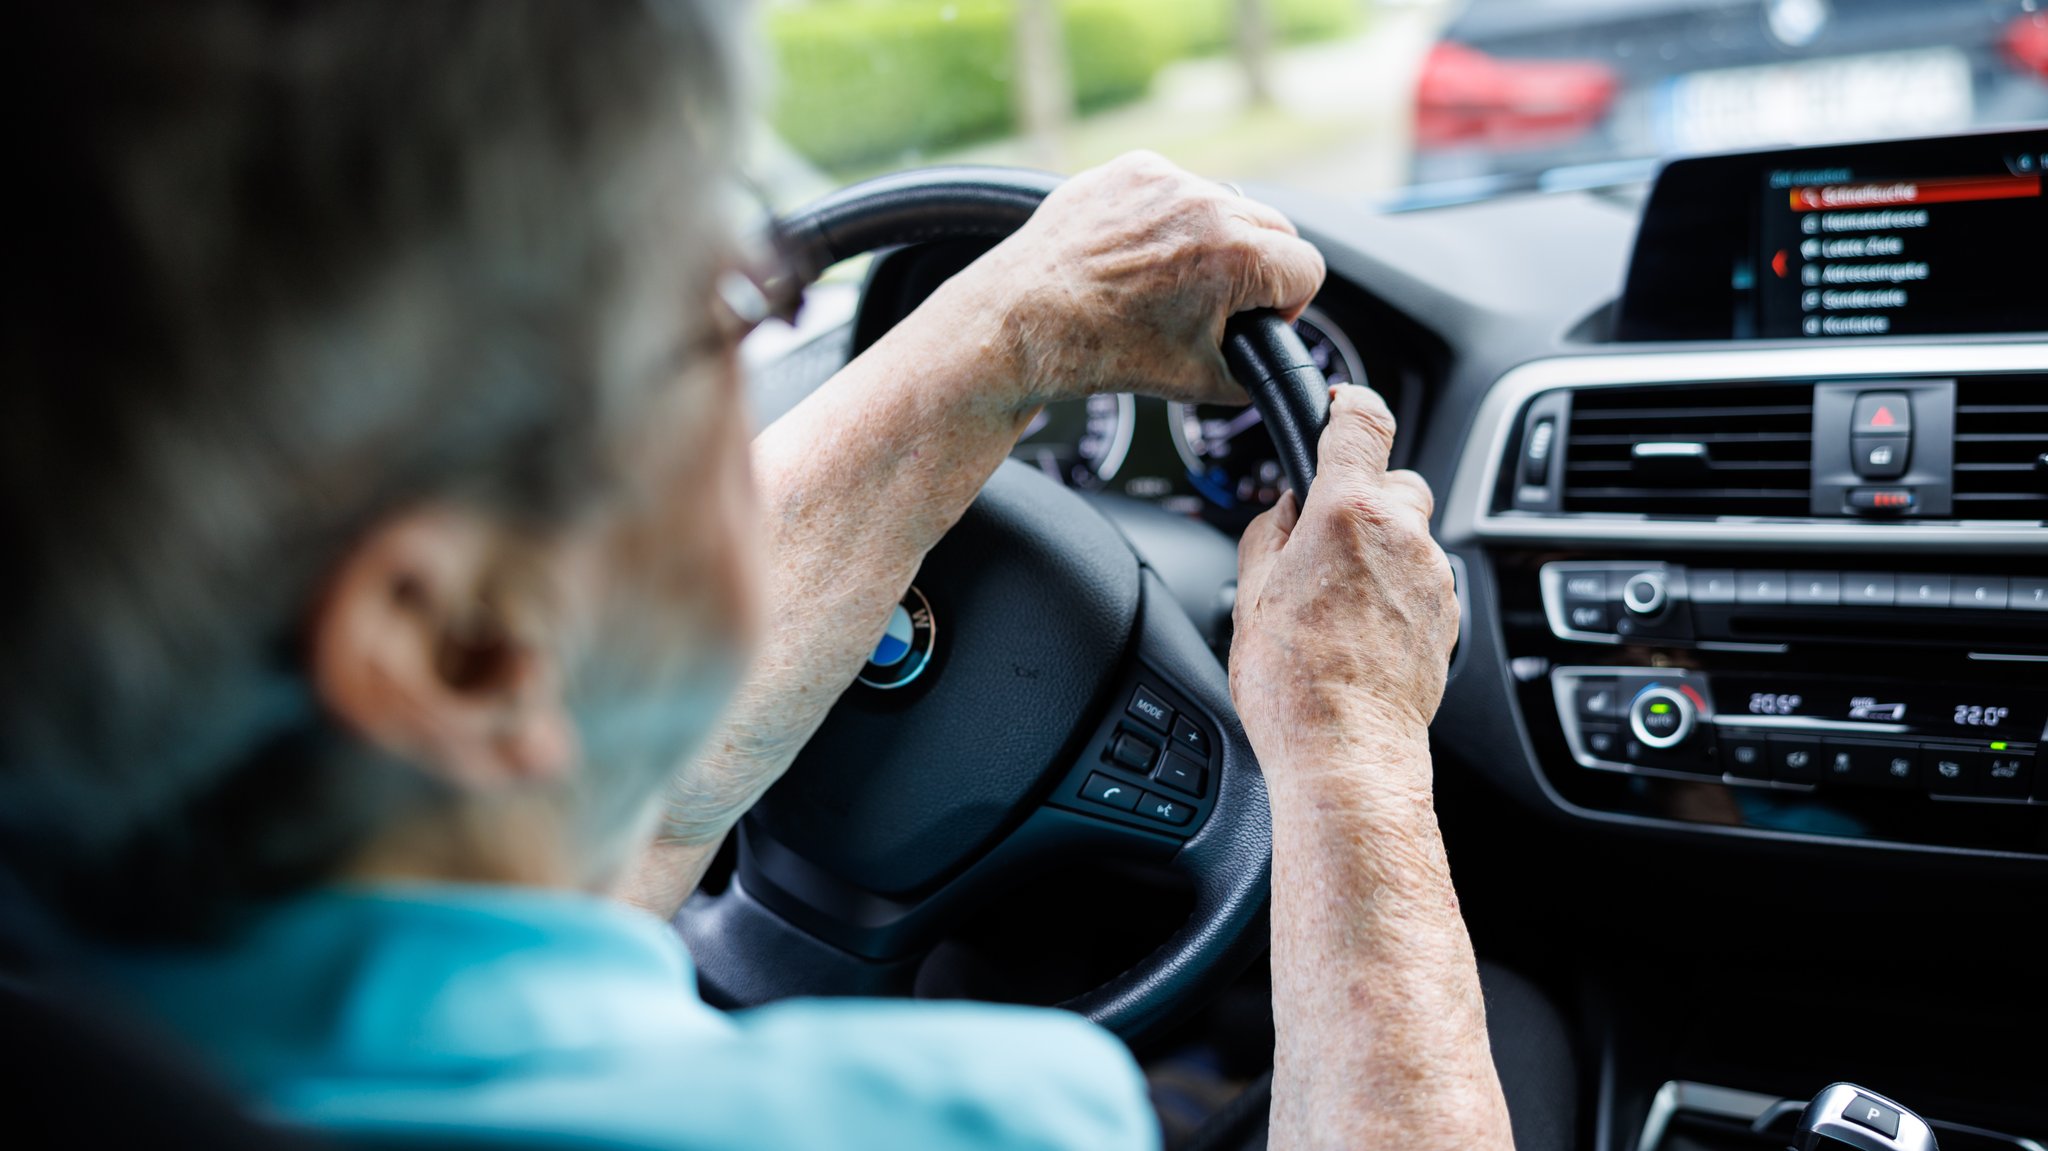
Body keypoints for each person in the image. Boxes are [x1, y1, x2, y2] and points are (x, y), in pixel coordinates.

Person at [5, 3, 1537, 1149]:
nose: (755, 391)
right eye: (720, 318)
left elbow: (573, 839)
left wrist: (1010, 338)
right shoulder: (939, 1121)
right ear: (462, 645)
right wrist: (1345, 750)